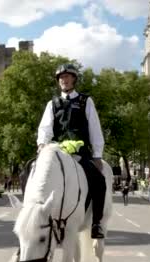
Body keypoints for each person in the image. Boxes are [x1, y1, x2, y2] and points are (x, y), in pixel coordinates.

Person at [36, 64, 106, 239]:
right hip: (58, 152)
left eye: (67, 77)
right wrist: (42, 144)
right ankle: (36, 215)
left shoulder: (85, 101)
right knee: (28, 172)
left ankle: (96, 223)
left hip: (80, 153)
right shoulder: (52, 104)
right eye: (61, 77)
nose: (63, 80)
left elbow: (95, 128)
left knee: (99, 181)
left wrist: (97, 155)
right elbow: (45, 128)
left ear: (74, 79)